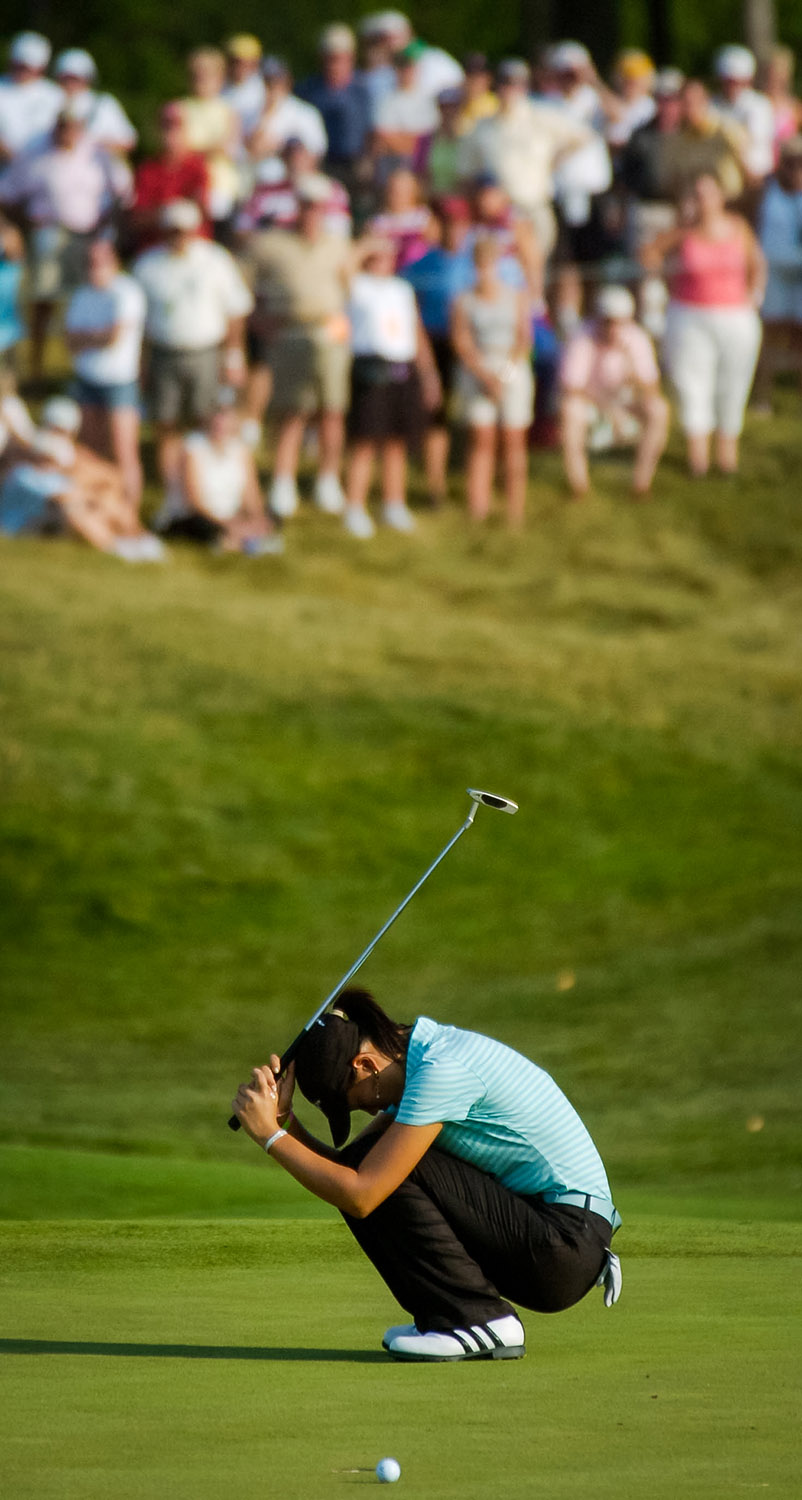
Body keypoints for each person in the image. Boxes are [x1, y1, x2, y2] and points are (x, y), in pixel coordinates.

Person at [231, 988, 621, 1363]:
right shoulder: (423, 1057)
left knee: (376, 1170)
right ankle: (448, 1316)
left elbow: (362, 1193)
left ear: (365, 1066)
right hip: (552, 1235)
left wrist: (271, 1138)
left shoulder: (441, 1070)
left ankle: (475, 1319)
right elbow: (348, 1174)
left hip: (564, 1244)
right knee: (371, 1163)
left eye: (354, 1102)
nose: (366, 1112)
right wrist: (286, 1124)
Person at [242, 173, 355, 518]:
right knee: (291, 411)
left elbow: (349, 287)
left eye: (317, 208)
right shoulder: (269, 244)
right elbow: (242, 289)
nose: (311, 214)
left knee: (332, 410)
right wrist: (260, 321)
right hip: (289, 334)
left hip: (330, 333)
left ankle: (327, 479)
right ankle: (283, 481)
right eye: (306, 206)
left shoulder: (337, 244)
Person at [642, 172, 765, 476]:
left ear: (721, 197)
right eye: (696, 195)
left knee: (732, 381)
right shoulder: (682, 233)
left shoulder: (738, 228)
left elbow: (756, 263)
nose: (703, 201)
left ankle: (726, 455)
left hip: (735, 316)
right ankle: (698, 457)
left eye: (708, 193)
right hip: (690, 316)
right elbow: (648, 255)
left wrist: (754, 295)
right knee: (691, 383)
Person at [0, 104, 132, 379]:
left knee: (81, 300)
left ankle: (77, 368)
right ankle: (36, 368)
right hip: (48, 232)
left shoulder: (97, 154)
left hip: (87, 235)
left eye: (73, 125)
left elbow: (121, 192)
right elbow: (8, 194)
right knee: (43, 299)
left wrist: (109, 232)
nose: (67, 131)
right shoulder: (36, 154)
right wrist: (16, 228)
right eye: (63, 125)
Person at [133, 198, 253, 491]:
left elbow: (235, 310)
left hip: (206, 351)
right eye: (173, 230)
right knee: (165, 424)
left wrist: (234, 356)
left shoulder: (215, 259)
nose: (179, 236)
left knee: (207, 420)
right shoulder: (148, 265)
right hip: (164, 351)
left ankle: (206, 488)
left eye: (184, 230)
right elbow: (139, 321)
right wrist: (141, 363)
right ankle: (174, 491)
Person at [342, 238, 440, 537]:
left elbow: (416, 331)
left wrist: (428, 372)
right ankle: (355, 506)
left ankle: (393, 503)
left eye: (387, 256)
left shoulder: (402, 289)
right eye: (377, 257)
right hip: (372, 368)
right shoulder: (358, 286)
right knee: (366, 441)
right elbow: (342, 269)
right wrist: (365, 246)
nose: (382, 261)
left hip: (403, 368)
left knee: (397, 441)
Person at [458, 59, 592, 259]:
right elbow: (467, 171)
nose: (510, 89)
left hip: (534, 207)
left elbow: (583, 136)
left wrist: (552, 162)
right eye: (505, 82)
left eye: (516, 83)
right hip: (499, 216)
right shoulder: (483, 127)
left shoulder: (541, 117)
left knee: (535, 267)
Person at [0, 395, 163, 560]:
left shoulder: (68, 460)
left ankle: (138, 539)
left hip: (51, 516)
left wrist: (97, 496)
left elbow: (112, 477)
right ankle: (117, 550)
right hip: (25, 526)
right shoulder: (24, 475)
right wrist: (93, 498)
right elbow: (61, 498)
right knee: (76, 512)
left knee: (106, 501)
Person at [451, 237, 534, 527]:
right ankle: (478, 508)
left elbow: (524, 339)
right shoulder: (464, 300)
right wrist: (485, 375)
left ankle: (515, 511)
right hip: (479, 368)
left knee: (513, 440)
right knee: (481, 440)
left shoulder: (516, 297)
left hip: (511, 368)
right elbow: (461, 340)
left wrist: (505, 375)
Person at [559, 284, 669, 498]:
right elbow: (572, 388)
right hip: (592, 403)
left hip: (625, 403)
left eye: (619, 322)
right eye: (608, 321)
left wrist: (632, 374)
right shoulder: (582, 338)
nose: (613, 329)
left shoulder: (637, 339)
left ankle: (641, 484)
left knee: (659, 410)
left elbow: (652, 388)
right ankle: (579, 486)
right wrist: (609, 409)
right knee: (570, 410)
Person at [65, 238, 146, 512]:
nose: (95, 268)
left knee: (124, 449)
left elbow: (113, 337)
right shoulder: (81, 295)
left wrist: (88, 337)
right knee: (89, 448)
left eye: (101, 261)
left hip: (119, 382)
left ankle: (130, 511)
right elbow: (70, 340)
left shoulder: (126, 292)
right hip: (87, 379)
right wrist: (96, 335)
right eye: (91, 262)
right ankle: (97, 506)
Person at [403, 196, 475, 503]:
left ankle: (476, 483)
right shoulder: (421, 266)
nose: (454, 230)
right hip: (436, 342)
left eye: (459, 224)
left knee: (477, 417)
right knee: (437, 414)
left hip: (474, 344)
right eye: (448, 223)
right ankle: (436, 486)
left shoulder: (479, 263)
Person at [155, 388, 283, 553]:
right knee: (205, 527)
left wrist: (256, 518)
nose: (220, 421)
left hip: (231, 514)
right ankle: (242, 539)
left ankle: (240, 537)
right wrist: (227, 523)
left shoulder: (241, 450)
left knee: (273, 516)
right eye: (217, 414)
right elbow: (194, 502)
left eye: (225, 415)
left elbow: (252, 496)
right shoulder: (193, 448)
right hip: (197, 516)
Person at [753, 135, 802, 411]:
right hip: (771, 272)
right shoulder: (765, 189)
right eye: (791, 162)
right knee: (770, 334)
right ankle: (763, 396)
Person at [128, 102, 211, 254]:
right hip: (156, 251)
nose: (171, 134)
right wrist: (166, 212)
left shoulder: (198, 167)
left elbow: (201, 212)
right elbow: (136, 219)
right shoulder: (148, 169)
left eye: (177, 127)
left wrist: (170, 212)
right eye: (166, 127)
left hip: (192, 248)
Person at [52, 49, 137, 157]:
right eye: (66, 78)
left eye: (75, 78)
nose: (70, 83)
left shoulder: (103, 103)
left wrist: (90, 143)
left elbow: (128, 141)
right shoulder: (48, 100)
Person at [248, 58, 328, 163]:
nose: (271, 88)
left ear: (287, 82)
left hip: (291, 176)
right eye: (267, 82)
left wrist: (279, 147)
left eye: (276, 82)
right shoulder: (250, 111)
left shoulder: (304, 112)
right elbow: (250, 150)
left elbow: (316, 150)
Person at [0, 32, 63, 165]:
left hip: (42, 167)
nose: (22, 70)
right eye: (19, 64)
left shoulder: (55, 95)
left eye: (27, 67)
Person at [223, 35, 266, 141]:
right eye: (236, 62)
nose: (241, 67)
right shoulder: (218, 86)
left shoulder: (264, 90)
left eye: (248, 63)